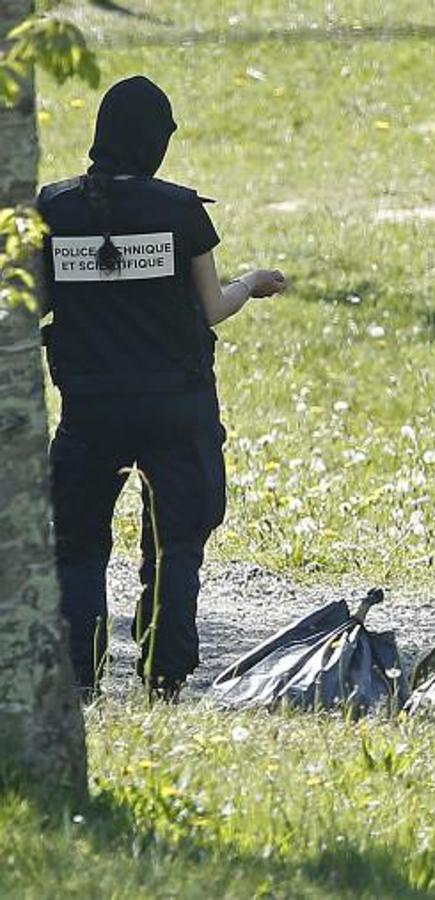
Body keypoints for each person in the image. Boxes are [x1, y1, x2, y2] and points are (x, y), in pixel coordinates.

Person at [38, 76, 288, 700]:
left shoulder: (57, 209)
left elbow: (36, 303)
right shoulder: (180, 212)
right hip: (177, 409)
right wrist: (252, 281)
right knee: (176, 547)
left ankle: (81, 679)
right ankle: (164, 677)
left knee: (77, 547)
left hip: (90, 409)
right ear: (156, 140)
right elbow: (210, 308)